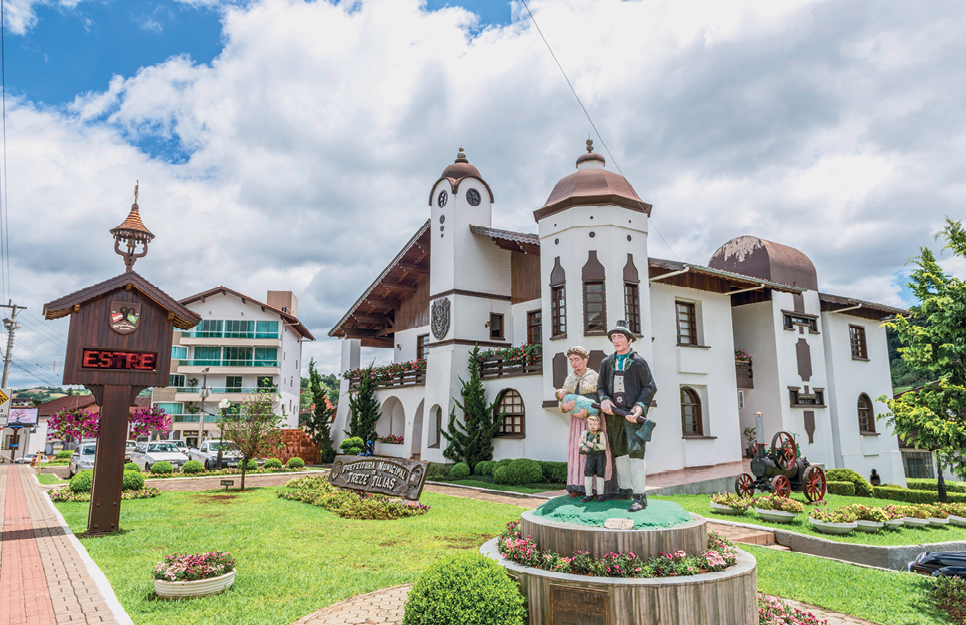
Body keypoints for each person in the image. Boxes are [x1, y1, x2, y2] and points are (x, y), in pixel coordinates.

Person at [598, 320, 657, 512]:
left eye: (620, 337)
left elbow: (650, 387)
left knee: (636, 452)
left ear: (629, 340)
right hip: (614, 416)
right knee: (619, 452)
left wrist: (639, 407)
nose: (616, 340)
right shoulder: (606, 362)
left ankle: (640, 495)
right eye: (613, 337)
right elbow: (601, 387)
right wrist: (605, 399)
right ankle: (624, 490)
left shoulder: (638, 362)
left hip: (632, 416)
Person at [556, 346, 614, 497]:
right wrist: (564, 407)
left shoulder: (593, 376)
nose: (574, 363)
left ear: (585, 360)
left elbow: (600, 396)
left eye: (577, 360)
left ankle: (597, 488)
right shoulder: (570, 378)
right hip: (576, 422)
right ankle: (576, 486)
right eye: (571, 360)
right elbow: (562, 398)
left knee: (595, 449)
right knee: (577, 451)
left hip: (592, 420)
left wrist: (587, 412)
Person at [578, 415, 607, 503]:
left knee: (600, 474)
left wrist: (594, 446)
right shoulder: (584, 433)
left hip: (600, 456)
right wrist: (583, 447)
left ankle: (600, 494)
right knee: (588, 474)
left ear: (599, 426)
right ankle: (589, 494)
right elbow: (580, 443)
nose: (592, 426)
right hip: (590, 456)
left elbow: (604, 445)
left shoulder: (601, 434)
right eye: (590, 424)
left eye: (595, 424)